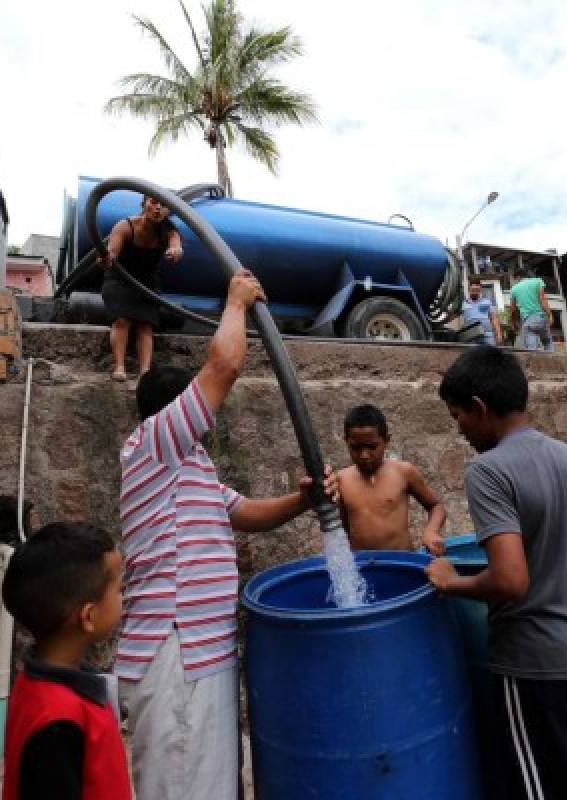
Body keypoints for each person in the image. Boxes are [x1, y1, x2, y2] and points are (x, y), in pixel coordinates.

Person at [117, 268, 339, 800]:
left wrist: (303, 500)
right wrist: (236, 303)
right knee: (185, 786)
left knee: (212, 784)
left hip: (205, 652)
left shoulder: (189, 465)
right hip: (177, 652)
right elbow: (225, 364)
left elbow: (244, 512)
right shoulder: (153, 444)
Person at [425, 346, 567, 800]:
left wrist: (450, 580)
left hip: (537, 668)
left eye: (458, 418)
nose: (460, 432)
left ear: (479, 406)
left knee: (548, 787)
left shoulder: (488, 471)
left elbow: (511, 580)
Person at [0, 522, 130, 800]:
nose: (125, 595)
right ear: (89, 616)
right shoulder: (58, 722)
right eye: (120, 588)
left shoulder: (31, 685)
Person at [337, 404, 448, 553]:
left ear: (386, 440)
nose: (364, 455)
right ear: (346, 442)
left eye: (372, 447)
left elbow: (436, 506)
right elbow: (342, 527)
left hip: (401, 561)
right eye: (356, 448)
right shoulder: (341, 480)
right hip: (362, 566)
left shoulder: (403, 472)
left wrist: (431, 532)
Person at [99, 195, 184, 382]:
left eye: (163, 205)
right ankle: (120, 366)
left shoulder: (170, 231)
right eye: (153, 202)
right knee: (122, 321)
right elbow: (111, 253)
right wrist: (106, 259)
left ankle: (145, 372)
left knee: (145, 325)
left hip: (147, 282)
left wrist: (176, 251)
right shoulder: (125, 226)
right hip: (120, 278)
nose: (157, 208)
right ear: (144, 204)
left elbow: (176, 245)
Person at [509, 271, 554, 352]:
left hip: (528, 321)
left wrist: (514, 322)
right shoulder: (538, 281)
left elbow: (513, 309)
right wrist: (550, 314)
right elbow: (542, 299)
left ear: (518, 277)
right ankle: (553, 361)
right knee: (547, 342)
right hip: (541, 317)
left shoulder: (514, 289)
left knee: (532, 349)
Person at [460, 280, 503, 345]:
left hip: (487, 334)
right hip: (471, 335)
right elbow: (454, 316)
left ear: (480, 290)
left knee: (489, 353)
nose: (475, 292)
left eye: (477, 290)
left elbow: (494, 318)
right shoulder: (463, 304)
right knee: (473, 354)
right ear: (469, 290)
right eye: (473, 290)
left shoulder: (487, 302)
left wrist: (499, 334)